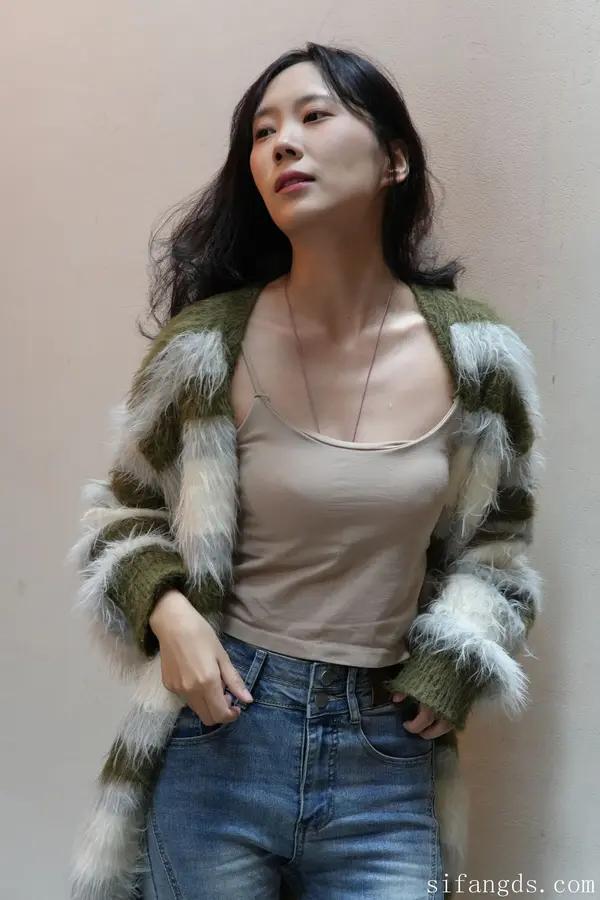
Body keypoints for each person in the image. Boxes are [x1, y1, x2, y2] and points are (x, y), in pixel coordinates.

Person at [67, 42, 544, 900]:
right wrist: (169, 614)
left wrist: (455, 659)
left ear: (394, 159)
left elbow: (499, 545)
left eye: (315, 116)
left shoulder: (477, 357)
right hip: (223, 736)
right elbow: (121, 515)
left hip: (384, 755)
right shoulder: (204, 348)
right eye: (262, 132)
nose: (283, 142)